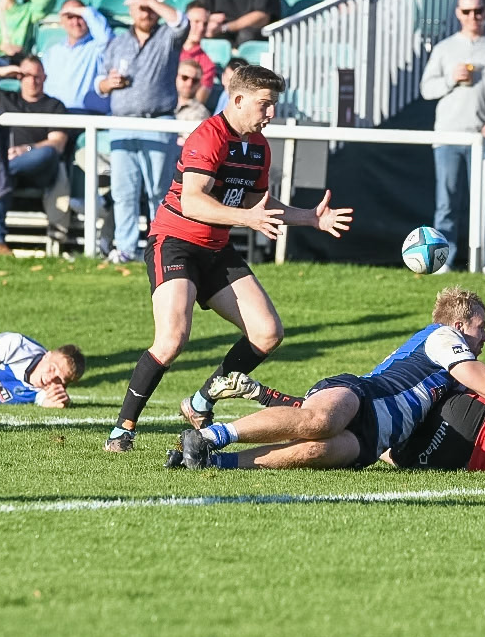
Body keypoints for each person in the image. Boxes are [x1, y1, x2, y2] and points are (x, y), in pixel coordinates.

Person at [104, 64, 352, 453]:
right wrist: (246, 218)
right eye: (264, 104)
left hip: (216, 249)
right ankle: (122, 430)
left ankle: (201, 401)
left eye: (273, 104)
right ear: (237, 100)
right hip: (175, 243)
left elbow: (258, 204)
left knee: (267, 332)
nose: (271, 113)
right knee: (171, 340)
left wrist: (310, 218)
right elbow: (193, 201)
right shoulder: (208, 137)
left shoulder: (258, 146)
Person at [174, 288, 485, 470]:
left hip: (374, 439)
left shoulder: (455, 367)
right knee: (320, 421)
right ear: (460, 325)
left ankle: (214, 461)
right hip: (361, 394)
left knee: (315, 451)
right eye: (481, 328)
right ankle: (209, 437)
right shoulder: (442, 338)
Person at [97, 0, 190, 263]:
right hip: (122, 122)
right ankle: (126, 248)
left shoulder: (166, 37)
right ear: (130, 10)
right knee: (123, 191)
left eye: (149, 7)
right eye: (140, 7)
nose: (145, 12)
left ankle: (161, 247)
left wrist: (151, 0)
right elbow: (99, 83)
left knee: (159, 191)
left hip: (157, 120)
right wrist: (108, 83)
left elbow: (181, 23)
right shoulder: (117, 43)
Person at [419, 0, 485, 272]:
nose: (473, 17)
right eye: (467, 11)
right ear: (458, 13)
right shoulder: (444, 49)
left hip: (483, 137)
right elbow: (426, 89)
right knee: (446, 204)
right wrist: (450, 79)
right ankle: (442, 261)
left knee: (484, 203)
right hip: (448, 136)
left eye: (478, 11)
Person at [0, 55, 74, 253]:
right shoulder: (5, 99)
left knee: (44, 153)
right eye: (27, 75)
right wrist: (2, 72)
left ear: (45, 78)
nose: (32, 81)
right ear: (19, 77)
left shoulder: (55, 106)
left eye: (37, 76)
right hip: (9, 170)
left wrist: (26, 149)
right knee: (1, 178)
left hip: (40, 169)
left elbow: (57, 144)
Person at [40, 0, 113, 114]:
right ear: (62, 21)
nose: (75, 22)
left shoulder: (97, 47)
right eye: (70, 17)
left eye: (80, 16)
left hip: (85, 114)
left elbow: (107, 40)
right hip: (54, 114)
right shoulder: (52, 52)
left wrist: (85, 12)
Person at [178, 2, 218, 104]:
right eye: (196, 22)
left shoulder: (208, 65)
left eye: (205, 24)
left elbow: (197, 103)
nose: (201, 28)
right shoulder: (168, 47)